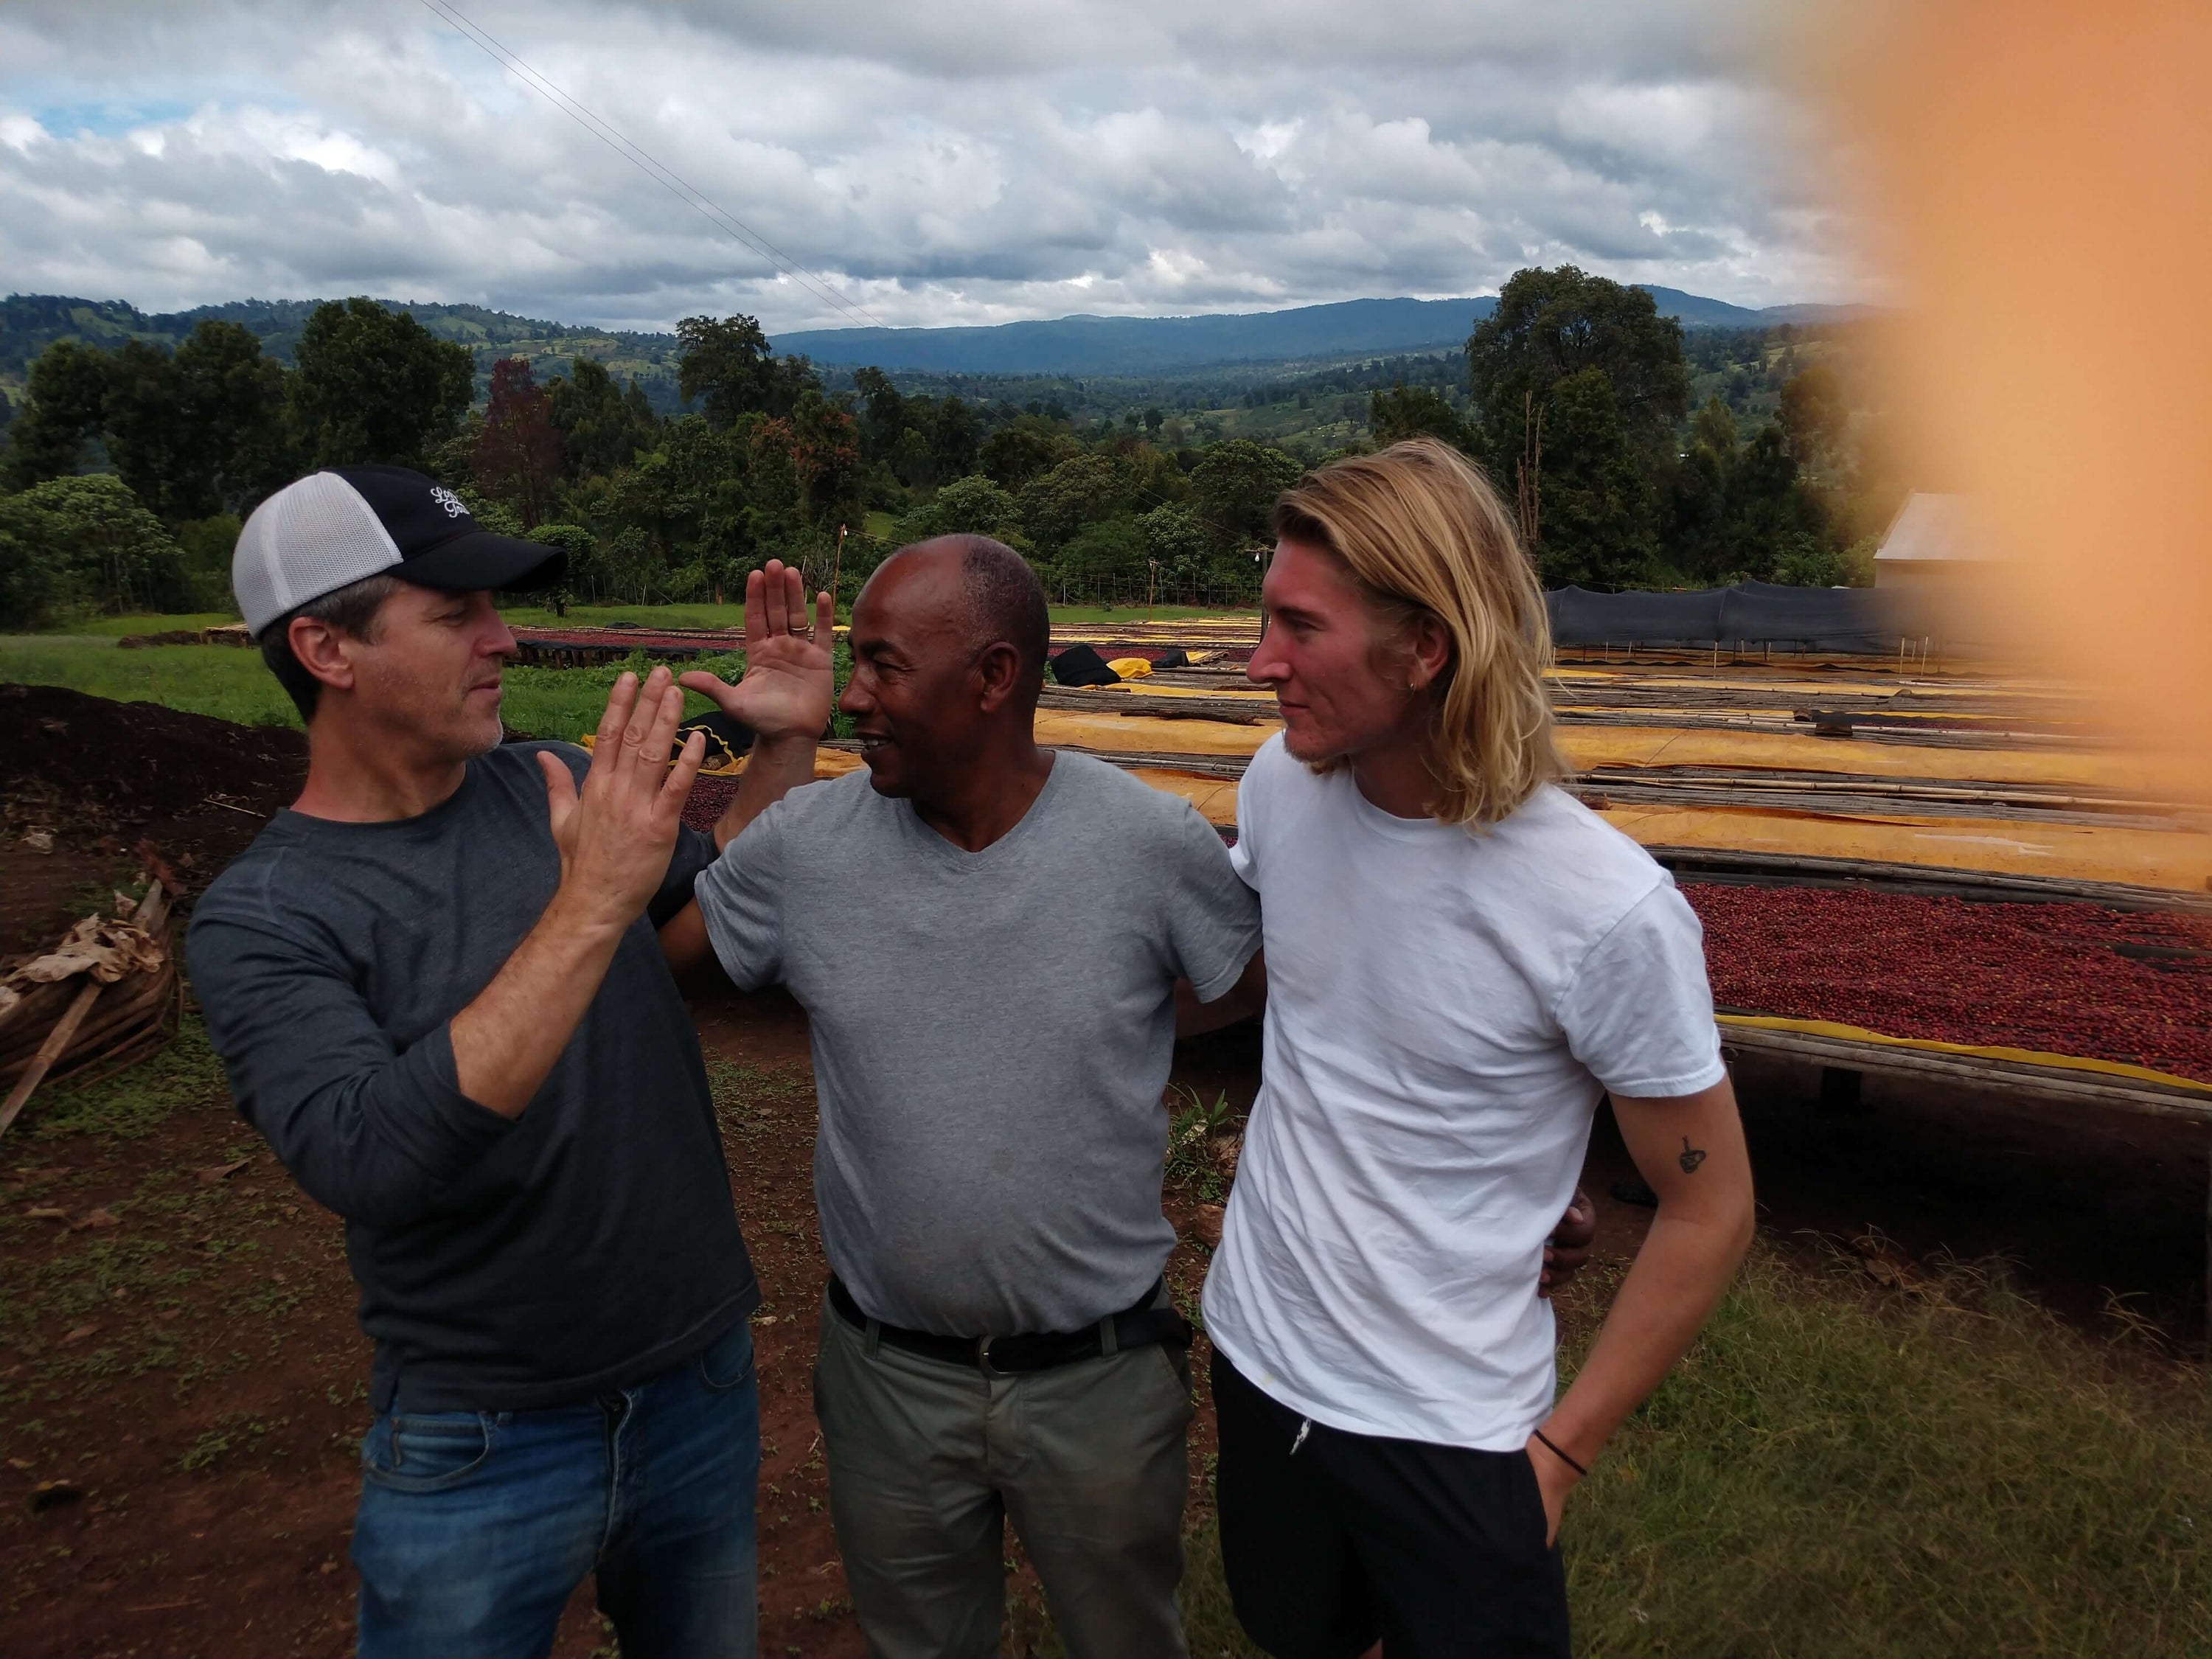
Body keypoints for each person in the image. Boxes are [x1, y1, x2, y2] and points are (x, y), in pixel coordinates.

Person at [187, 463, 831, 1659]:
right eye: (455, 614)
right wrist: (589, 901)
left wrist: (787, 751)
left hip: (695, 1377)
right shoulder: (269, 916)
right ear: (327, 648)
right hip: (481, 1440)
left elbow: (706, 920)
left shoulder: (558, 783)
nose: (505, 638)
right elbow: (373, 1154)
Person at [1194, 439, 1758, 1659]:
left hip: (1451, 1433)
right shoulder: (1288, 786)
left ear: (1425, 647)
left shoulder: (1601, 906)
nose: (1261, 662)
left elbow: (1711, 1207)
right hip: (1258, 1358)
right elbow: (1273, 982)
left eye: (1300, 625)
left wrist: (1557, 1458)